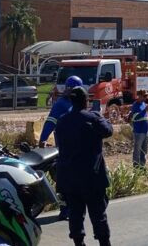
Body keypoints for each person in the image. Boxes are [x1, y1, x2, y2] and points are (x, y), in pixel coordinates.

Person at [56, 86, 113, 246]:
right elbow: (108, 131)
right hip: (91, 177)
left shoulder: (62, 120)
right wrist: (98, 115)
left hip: (69, 177)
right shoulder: (92, 118)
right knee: (98, 214)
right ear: (86, 101)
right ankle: (104, 242)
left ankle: (78, 242)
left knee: (75, 213)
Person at [39, 75, 83, 221]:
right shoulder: (61, 104)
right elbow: (50, 121)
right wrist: (43, 138)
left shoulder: (77, 104)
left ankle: (74, 208)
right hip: (64, 149)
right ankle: (65, 209)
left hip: (77, 149)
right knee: (64, 179)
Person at [129, 90, 148, 168]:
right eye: (144, 96)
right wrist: (145, 109)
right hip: (139, 132)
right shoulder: (135, 105)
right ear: (139, 96)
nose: (146, 98)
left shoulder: (144, 104)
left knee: (144, 150)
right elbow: (135, 117)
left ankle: (142, 166)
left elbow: (146, 117)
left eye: (146, 96)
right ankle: (136, 166)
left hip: (145, 131)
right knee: (137, 150)